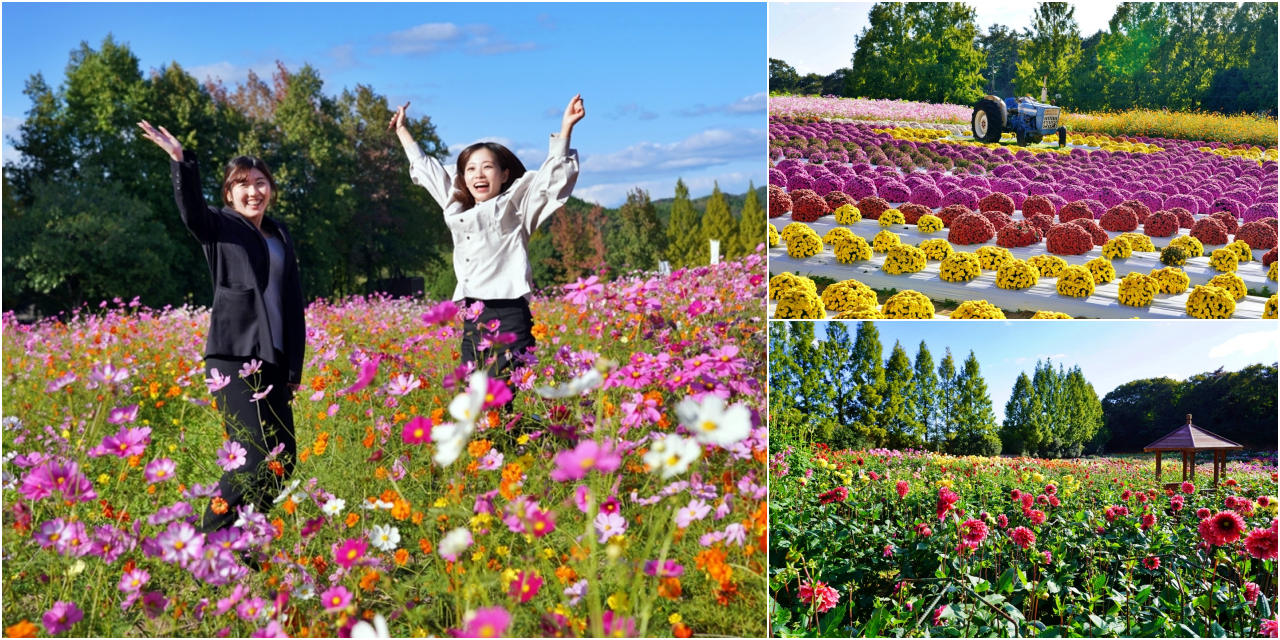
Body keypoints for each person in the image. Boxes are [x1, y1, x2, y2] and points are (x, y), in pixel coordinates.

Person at [137, 120, 306, 540]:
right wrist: (181, 161)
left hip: (274, 357)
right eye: (242, 184)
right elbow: (191, 211)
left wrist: (293, 368)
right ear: (229, 194)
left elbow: (292, 301)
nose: (253, 191)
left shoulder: (280, 233)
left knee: (283, 457)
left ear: (271, 189)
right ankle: (208, 536)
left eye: (261, 182)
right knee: (251, 455)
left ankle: (245, 538)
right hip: (233, 357)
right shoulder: (218, 226)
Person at [388, 95, 584, 394]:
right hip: (473, 315)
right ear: (463, 178)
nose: (478, 174)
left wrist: (566, 128)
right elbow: (427, 170)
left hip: (509, 313)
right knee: (472, 397)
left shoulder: (516, 207)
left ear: (504, 175)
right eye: (470, 169)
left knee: (496, 398)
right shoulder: (456, 206)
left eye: (487, 167)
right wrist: (402, 130)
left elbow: (551, 181)